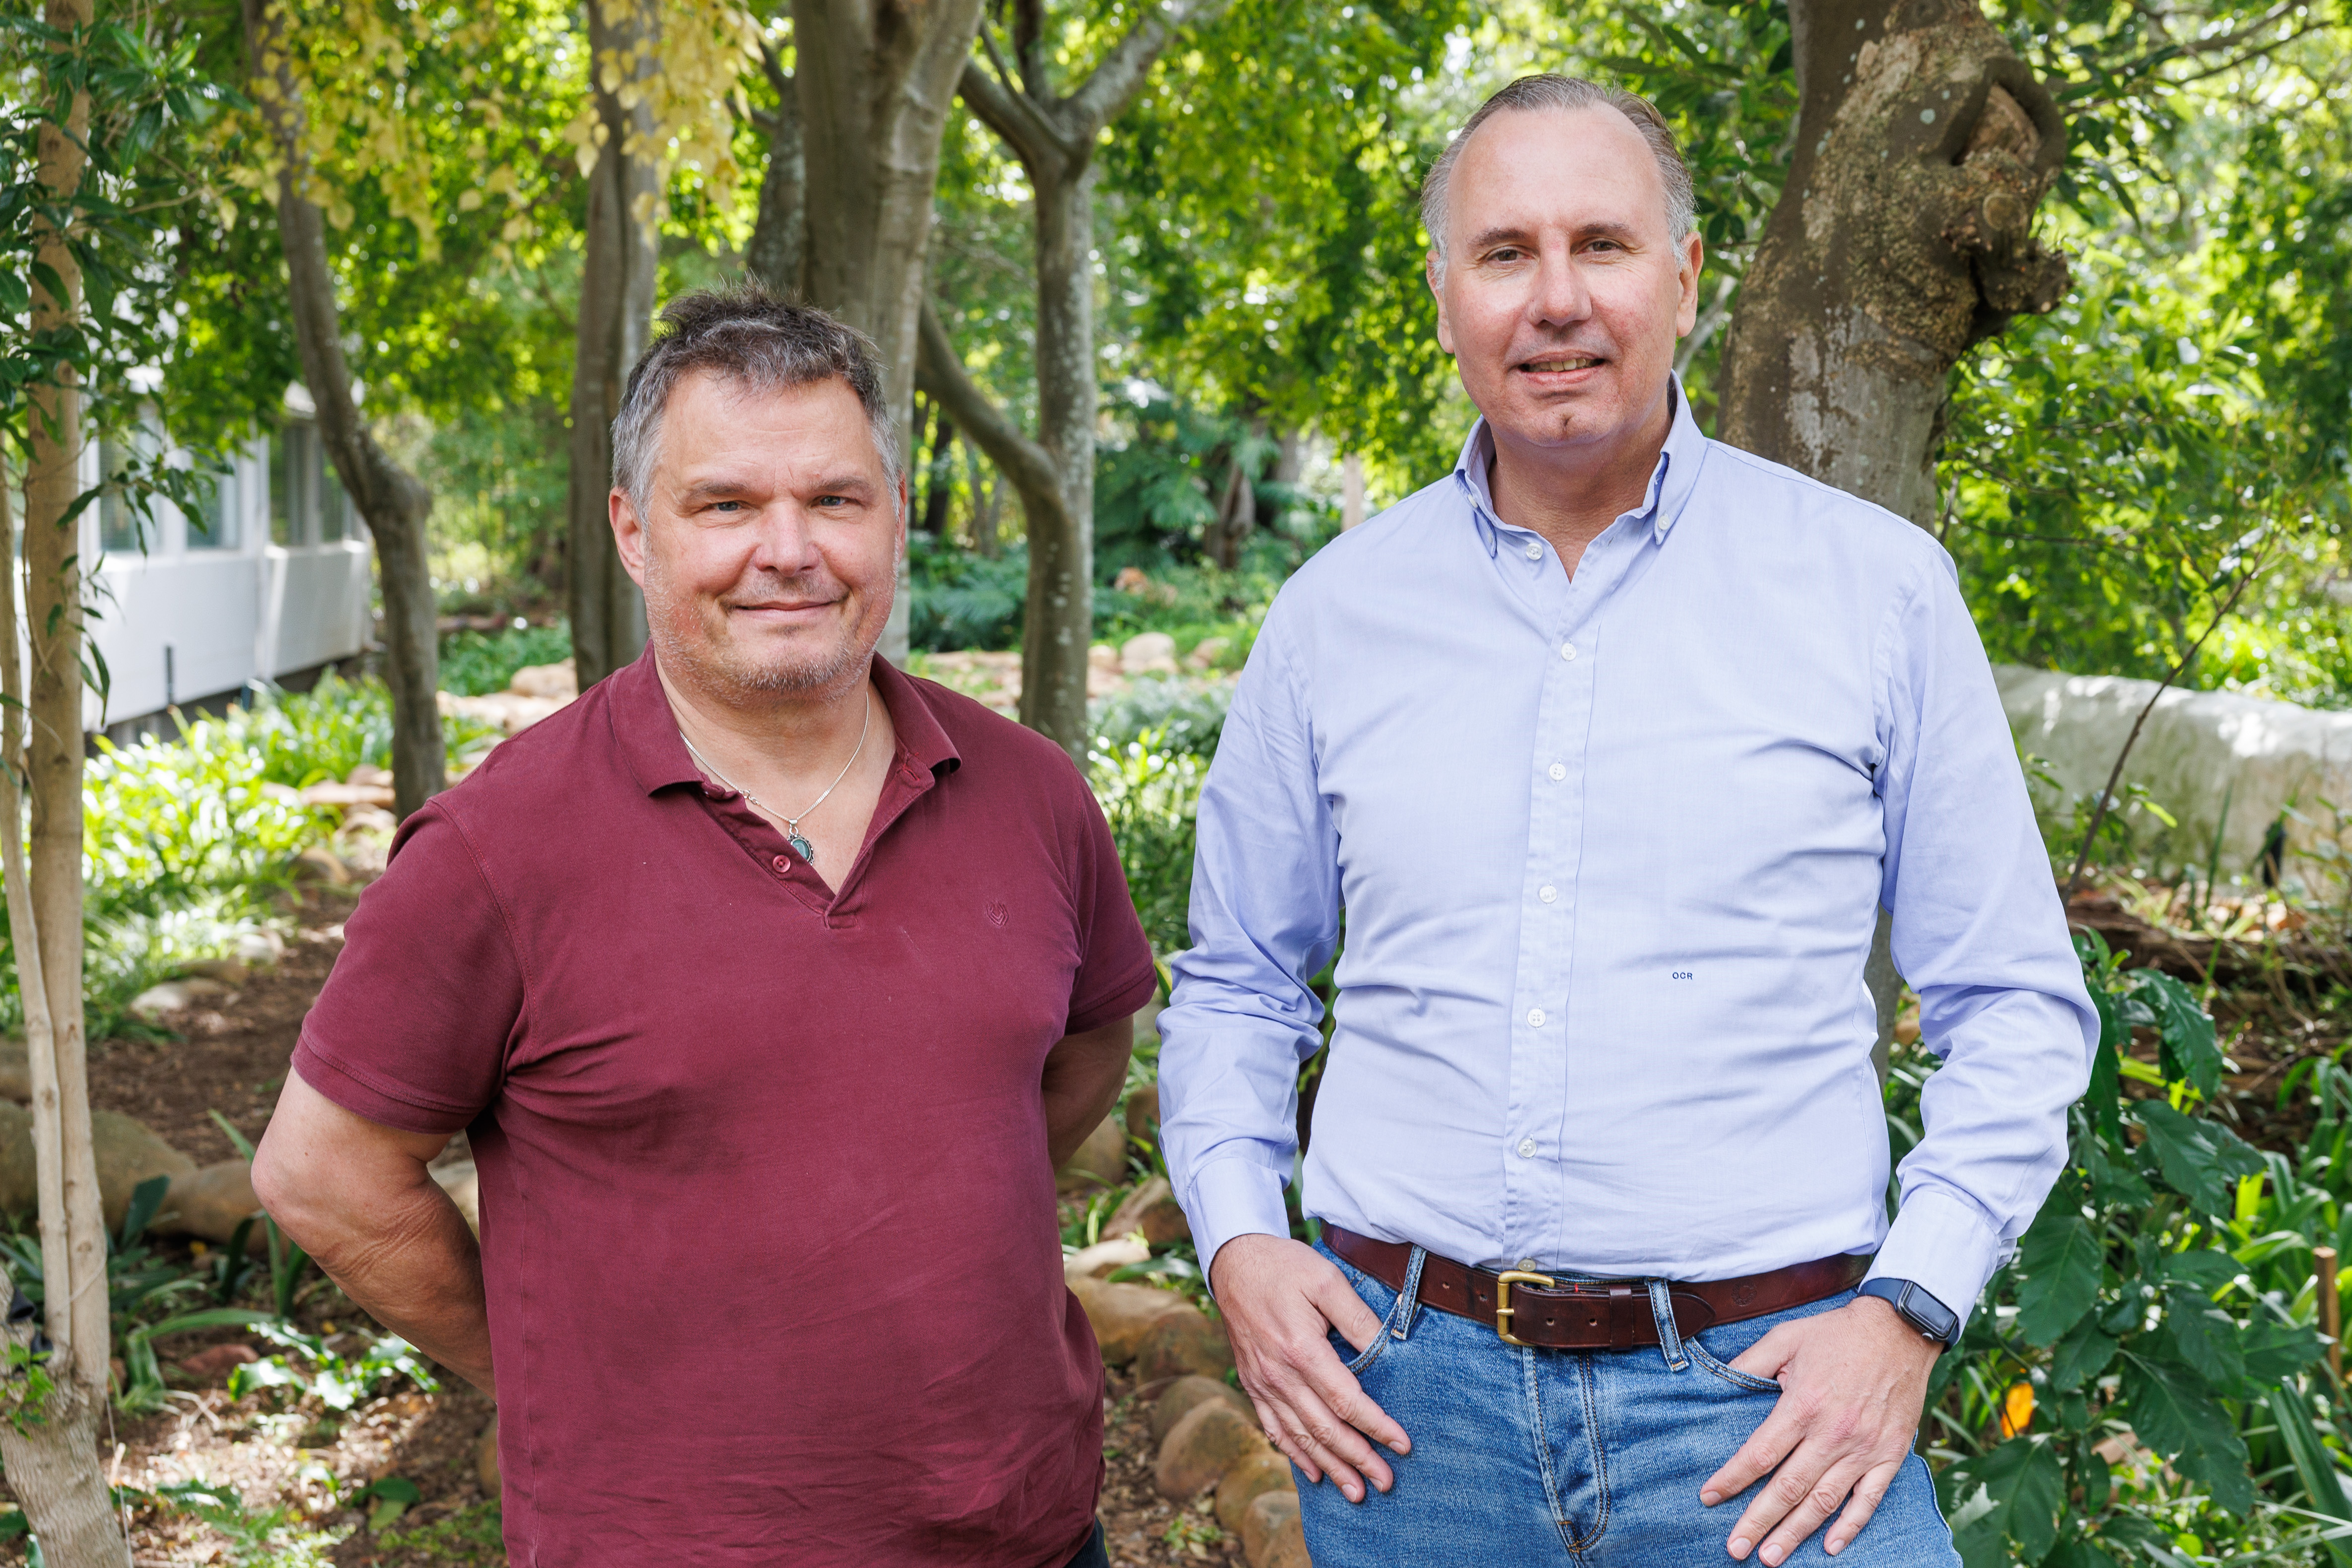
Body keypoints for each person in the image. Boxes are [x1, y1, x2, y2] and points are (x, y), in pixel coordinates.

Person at [1156, 75, 2096, 1568]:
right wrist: (1236, 1237)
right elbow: (1236, 982)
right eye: (1503, 251)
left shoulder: (1875, 591)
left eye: (1600, 243)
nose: (1556, 300)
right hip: (1407, 1412)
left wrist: (1909, 1308)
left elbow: (2013, 1003)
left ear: (1685, 275)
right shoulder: (1333, 616)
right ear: (1443, 290)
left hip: (1770, 1407)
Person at [252, 287, 1156, 1568]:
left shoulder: (1032, 794)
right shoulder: (496, 848)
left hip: (1032, 1538)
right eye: (725, 504)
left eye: (835, 500)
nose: (787, 549)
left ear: (893, 516)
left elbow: (1078, 1062)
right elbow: (320, 1175)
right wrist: (544, 1375)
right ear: (633, 530)